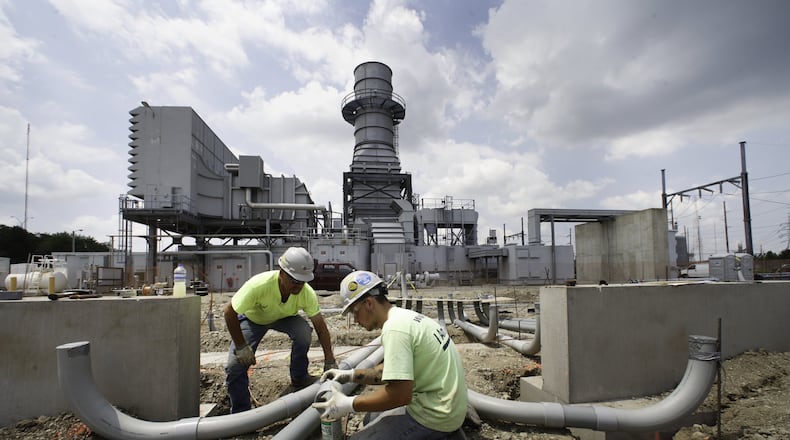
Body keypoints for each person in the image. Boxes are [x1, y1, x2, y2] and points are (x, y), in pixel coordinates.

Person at [313, 270, 468, 439]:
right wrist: (349, 375)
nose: (355, 320)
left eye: (354, 312)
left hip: (435, 417)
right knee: (370, 417)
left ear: (369, 303)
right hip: (446, 406)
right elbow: (390, 370)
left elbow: (399, 395)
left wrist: (349, 404)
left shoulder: (395, 329)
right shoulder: (404, 317)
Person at [224, 246, 337, 413]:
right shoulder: (259, 285)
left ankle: (299, 377)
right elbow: (229, 312)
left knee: (303, 332)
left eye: (302, 282)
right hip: (254, 319)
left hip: (284, 317)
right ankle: (240, 413)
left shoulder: (306, 293)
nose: (298, 286)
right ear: (281, 273)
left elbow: (320, 326)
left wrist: (329, 360)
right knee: (234, 366)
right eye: (294, 281)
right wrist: (241, 346)